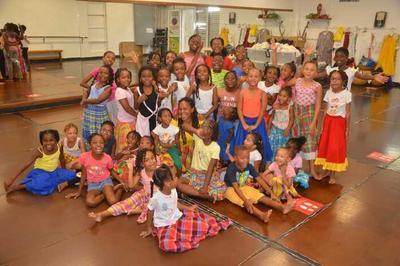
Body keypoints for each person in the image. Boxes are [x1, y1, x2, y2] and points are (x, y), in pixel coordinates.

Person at [140, 165, 231, 253]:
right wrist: (149, 228)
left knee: (203, 225)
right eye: (175, 177)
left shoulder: (173, 190)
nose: (178, 178)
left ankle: (184, 236)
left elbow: (175, 204)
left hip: (178, 219)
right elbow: (150, 211)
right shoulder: (156, 198)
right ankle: (187, 241)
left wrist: (189, 208)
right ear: (167, 183)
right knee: (166, 245)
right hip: (164, 226)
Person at [224, 146, 293, 222]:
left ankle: (282, 207)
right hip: (230, 189)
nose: (246, 161)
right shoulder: (231, 168)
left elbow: (259, 179)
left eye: (247, 158)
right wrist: (246, 201)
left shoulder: (249, 166)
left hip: (243, 186)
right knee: (246, 202)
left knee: (260, 195)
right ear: (235, 158)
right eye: (242, 158)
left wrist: (271, 193)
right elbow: (236, 187)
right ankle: (262, 215)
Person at [88, 148, 157, 223]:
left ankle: (139, 210)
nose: (151, 162)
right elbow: (131, 186)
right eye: (147, 160)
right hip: (144, 194)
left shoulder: (160, 171)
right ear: (142, 164)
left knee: (155, 208)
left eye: (152, 158)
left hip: (156, 197)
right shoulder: (141, 172)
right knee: (125, 203)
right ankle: (102, 214)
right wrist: (130, 169)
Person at [4, 129, 75, 195]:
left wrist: (64, 170)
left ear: (56, 140)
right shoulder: (40, 151)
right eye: (45, 141)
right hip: (40, 172)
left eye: (51, 140)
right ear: (41, 141)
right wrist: (12, 178)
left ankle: (47, 182)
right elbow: (25, 164)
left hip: (54, 171)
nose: (48, 143)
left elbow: (61, 158)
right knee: (42, 183)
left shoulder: (59, 146)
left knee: (71, 175)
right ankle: (21, 186)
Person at [66, 133, 123, 207]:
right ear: (90, 144)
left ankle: (120, 189)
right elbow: (83, 174)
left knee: (113, 202)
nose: (98, 145)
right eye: (94, 142)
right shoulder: (84, 157)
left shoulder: (107, 158)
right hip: (93, 184)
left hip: (105, 182)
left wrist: (122, 181)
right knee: (90, 202)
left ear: (104, 144)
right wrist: (79, 191)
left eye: (101, 142)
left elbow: (111, 171)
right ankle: (106, 193)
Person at [315, 70, 352, 184]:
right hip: (328, 121)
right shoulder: (328, 92)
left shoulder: (347, 94)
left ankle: (332, 174)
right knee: (326, 146)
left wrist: (347, 128)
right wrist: (322, 124)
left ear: (343, 81)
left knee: (334, 147)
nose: (334, 81)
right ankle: (326, 170)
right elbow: (325, 109)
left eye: (337, 79)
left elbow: (348, 112)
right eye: (332, 79)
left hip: (339, 123)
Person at [178, 120, 226, 201]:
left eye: (204, 126)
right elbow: (183, 125)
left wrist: (205, 187)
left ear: (211, 131)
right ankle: (201, 195)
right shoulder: (197, 138)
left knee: (222, 190)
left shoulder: (215, 147)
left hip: (206, 176)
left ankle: (194, 192)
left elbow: (210, 169)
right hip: (193, 173)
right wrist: (195, 131)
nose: (201, 127)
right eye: (201, 125)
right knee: (177, 182)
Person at [233, 68, 273, 164]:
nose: (253, 79)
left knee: (260, 144)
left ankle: (259, 165)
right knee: (241, 143)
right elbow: (239, 109)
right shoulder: (242, 92)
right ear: (247, 78)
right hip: (244, 123)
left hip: (258, 123)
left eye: (256, 76)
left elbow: (262, 111)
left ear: (260, 78)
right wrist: (243, 124)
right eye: (250, 76)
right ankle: (241, 162)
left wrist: (255, 125)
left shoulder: (263, 94)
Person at [292, 61, 322, 178]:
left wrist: (314, 122)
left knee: (309, 140)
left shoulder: (317, 86)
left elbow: (318, 105)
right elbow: (283, 83)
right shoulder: (297, 81)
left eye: (312, 70)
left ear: (316, 72)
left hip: (309, 114)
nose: (309, 72)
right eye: (307, 69)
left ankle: (312, 170)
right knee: (297, 140)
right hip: (297, 113)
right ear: (303, 70)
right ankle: (296, 167)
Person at [315, 47, 389, 91]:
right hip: (332, 100)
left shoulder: (351, 71)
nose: (339, 59)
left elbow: (362, 76)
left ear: (347, 58)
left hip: (344, 101)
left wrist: (374, 77)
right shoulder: (330, 70)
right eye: (337, 56)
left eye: (342, 56)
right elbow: (316, 75)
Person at [80, 51, 117, 122]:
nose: (110, 59)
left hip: (112, 101)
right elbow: (83, 83)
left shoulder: (114, 72)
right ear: (103, 58)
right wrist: (93, 90)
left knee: (113, 122)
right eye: (108, 57)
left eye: (113, 59)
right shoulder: (97, 70)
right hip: (101, 103)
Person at [81, 65, 113, 144]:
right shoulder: (94, 84)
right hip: (89, 112)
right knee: (89, 130)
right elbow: (86, 91)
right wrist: (84, 99)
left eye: (106, 73)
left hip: (99, 113)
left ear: (109, 76)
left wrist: (85, 101)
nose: (102, 74)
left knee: (99, 131)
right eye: (101, 72)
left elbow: (98, 100)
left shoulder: (108, 88)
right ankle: (90, 148)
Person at [152, 108, 182, 176]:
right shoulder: (157, 129)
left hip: (172, 148)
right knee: (158, 163)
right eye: (165, 116)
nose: (168, 118)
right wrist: (157, 149)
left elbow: (177, 141)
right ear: (160, 118)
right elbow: (156, 140)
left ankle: (179, 176)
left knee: (178, 163)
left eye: (169, 116)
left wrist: (179, 150)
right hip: (161, 147)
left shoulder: (175, 129)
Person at [173, 97, 199, 172]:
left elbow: (205, 139)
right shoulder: (174, 123)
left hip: (197, 156)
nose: (182, 111)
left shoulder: (200, 122)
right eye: (180, 109)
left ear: (192, 109)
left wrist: (190, 129)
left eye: (185, 109)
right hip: (180, 156)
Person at [114, 68, 137, 153]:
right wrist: (137, 115)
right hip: (126, 124)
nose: (127, 79)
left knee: (131, 146)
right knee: (126, 147)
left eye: (128, 77)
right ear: (118, 79)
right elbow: (127, 108)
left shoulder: (126, 89)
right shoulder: (120, 91)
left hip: (130, 121)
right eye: (123, 78)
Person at [134, 66, 160, 136]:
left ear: (153, 78)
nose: (147, 78)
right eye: (144, 76)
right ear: (140, 78)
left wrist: (156, 87)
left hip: (154, 119)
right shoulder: (137, 90)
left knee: (154, 140)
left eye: (149, 76)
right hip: (143, 121)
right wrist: (139, 101)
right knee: (143, 139)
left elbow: (158, 105)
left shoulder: (156, 89)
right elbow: (136, 107)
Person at [268, 87, 294, 158]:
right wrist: (269, 129)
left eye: (284, 96)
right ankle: (272, 162)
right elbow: (271, 118)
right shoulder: (275, 106)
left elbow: (291, 119)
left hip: (284, 130)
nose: (281, 98)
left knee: (283, 147)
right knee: (272, 145)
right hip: (275, 129)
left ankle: (281, 163)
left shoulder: (289, 107)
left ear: (289, 98)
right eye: (280, 95)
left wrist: (288, 129)